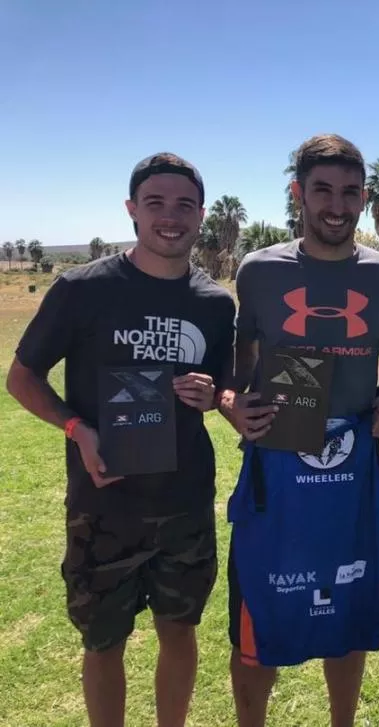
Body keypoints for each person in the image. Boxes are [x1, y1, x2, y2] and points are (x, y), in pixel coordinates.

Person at [5, 153, 236, 727]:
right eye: (155, 203)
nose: (170, 217)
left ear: (202, 215)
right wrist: (77, 429)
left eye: (184, 205)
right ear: (132, 210)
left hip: (183, 503)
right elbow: (22, 377)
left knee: (179, 633)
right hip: (103, 504)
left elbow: (224, 391)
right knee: (103, 642)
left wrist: (213, 396)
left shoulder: (213, 304)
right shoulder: (83, 289)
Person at [218, 134, 379, 727]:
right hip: (275, 468)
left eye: (350, 192)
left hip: (352, 472)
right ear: (298, 193)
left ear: (366, 198)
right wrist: (230, 403)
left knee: (350, 601)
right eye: (322, 189)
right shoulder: (259, 271)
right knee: (262, 601)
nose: (336, 205)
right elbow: (240, 361)